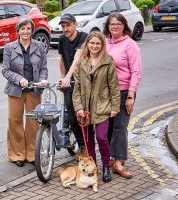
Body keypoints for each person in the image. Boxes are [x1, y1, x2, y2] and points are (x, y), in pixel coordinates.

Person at [72, 31, 120, 182]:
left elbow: (114, 86)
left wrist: (115, 107)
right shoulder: (81, 62)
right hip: (85, 108)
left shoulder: (108, 61)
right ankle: (94, 166)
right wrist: (79, 108)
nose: (94, 46)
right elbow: (77, 88)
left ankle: (106, 166)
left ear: (102, 45)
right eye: (92, 43)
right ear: (87, 44)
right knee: (88, 139)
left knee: (101, 137)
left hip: (102, 106)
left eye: (98, 43)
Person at [2, 18, 48, 167]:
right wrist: (19, 78)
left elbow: (44, 68)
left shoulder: (39, 46)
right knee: (15, 121)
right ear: (18, 31)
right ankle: (17, 155)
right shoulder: (9, 47)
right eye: (22, 29)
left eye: (28, 28)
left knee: (33, 122)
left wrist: (42, 80)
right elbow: (6, 70)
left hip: (34, 90)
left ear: (32, 30)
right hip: (16, 90)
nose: (26, 31)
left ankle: (31, 154)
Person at [104, 12, 142, 179]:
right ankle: (113, 157)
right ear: (108, 27)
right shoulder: (105, 43)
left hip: (124, 91)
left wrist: (131, 95)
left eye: (118, 24)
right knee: (110, 127)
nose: (115, 26)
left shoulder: (130, 44)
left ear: (124, 26)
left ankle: (119, 163)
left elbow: (136, 72)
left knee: (120, 128)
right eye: (112, 24)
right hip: (107, 92)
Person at [57, 14, 88, 157]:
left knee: (82, 114)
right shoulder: (62, 39)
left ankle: (86, 145)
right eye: (63, 26)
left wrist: (68, 77)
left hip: (83, 81)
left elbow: (77, 59)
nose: (65, 29)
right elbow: (61, 59)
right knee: (71, 116)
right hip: (70, 81)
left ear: (75, 24)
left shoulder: (83, 37)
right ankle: (80, 143)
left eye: (68, 25)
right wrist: (63, 79)